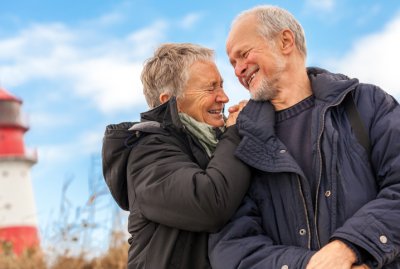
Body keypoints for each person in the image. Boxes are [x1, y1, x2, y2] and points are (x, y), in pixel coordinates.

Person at [208, 5, 400, 269]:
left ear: (285, 41)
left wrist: (349, 248)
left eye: (244, 54)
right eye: (233, 63)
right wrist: (309, 265)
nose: (238, 70)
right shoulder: (239, 141)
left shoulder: (367, 104)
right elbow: (230, 246)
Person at [102, 43, 251, 269]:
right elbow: (210, 203)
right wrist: (234, 134)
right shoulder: (148, 153)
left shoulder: (211, 146)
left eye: (221, 86)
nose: (224, 97)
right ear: (168, 100)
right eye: (210, 89)